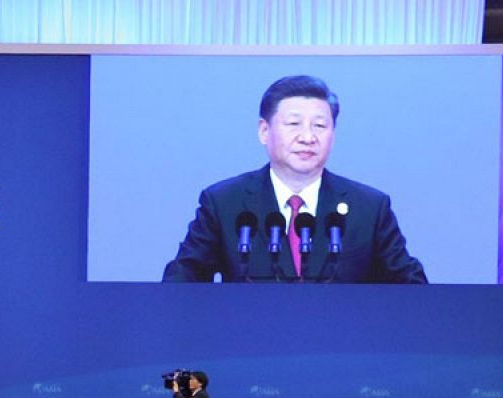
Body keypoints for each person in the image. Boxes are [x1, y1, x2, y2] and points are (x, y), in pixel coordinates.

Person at [162, 74, 426, 284]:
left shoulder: (369, 208)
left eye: (320, 126)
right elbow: (181, 284)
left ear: (333, 134)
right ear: (264, 131)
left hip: (342, 348)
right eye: (294, 124)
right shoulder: (224, 203)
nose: (308, 137)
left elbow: (412, 290)